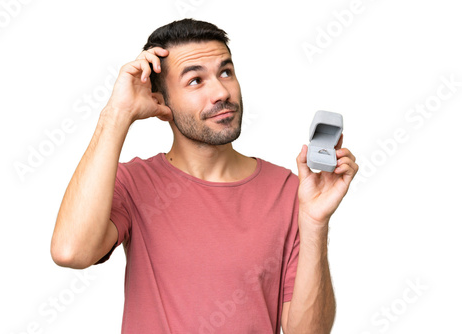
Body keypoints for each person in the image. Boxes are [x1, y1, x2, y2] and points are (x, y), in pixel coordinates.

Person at [50, 18, 358, 334]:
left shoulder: (289, 191)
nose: (221, 92)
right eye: (196, 81)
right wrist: (117, 114)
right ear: (160, 101)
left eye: (226, 72)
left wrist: (315, 223)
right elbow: (70, 251)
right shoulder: (135, 184)